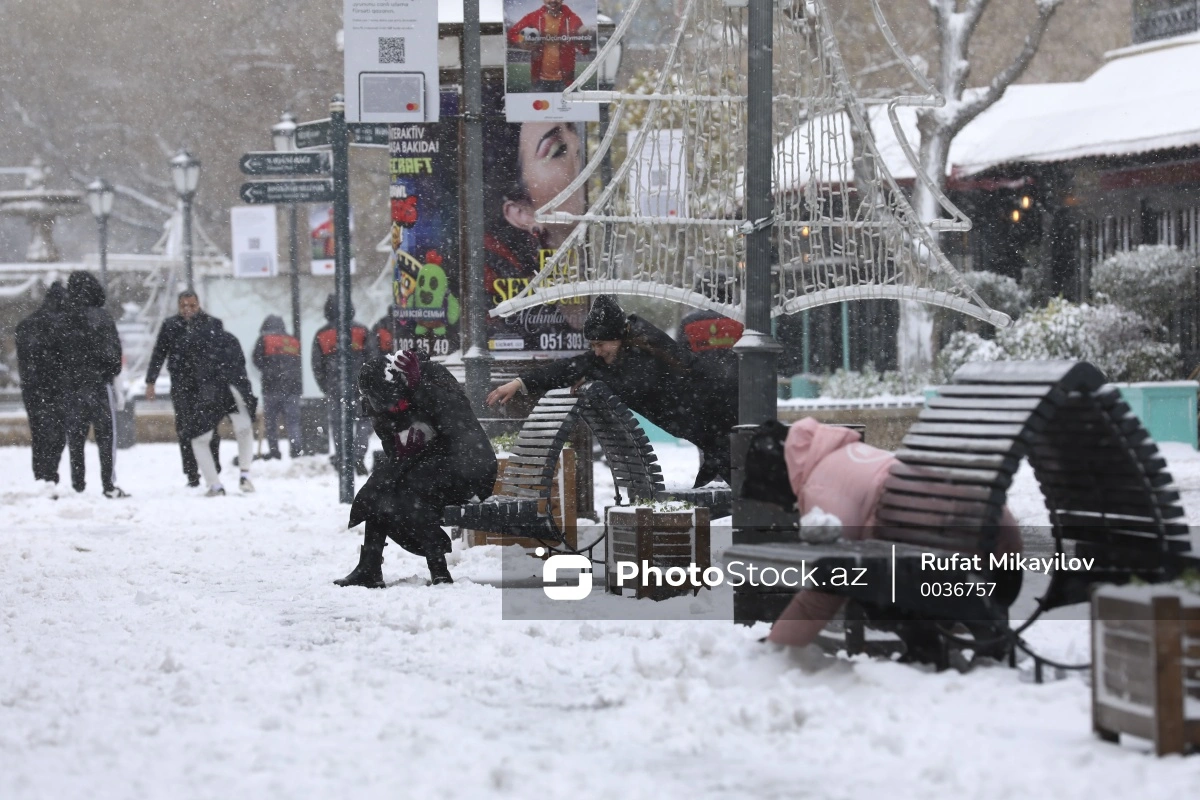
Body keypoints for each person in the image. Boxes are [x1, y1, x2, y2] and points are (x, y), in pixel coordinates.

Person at [763, 418, 1023, 650]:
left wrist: (776, 649)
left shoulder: (818, 485)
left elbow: (830, 579)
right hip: (1000, 541)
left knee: (872, 588)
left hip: (965, 556)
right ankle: (940, 645)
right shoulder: (848, 453)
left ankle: (939, 646)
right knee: (890, 577)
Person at [487, 295, 738, 487]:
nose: (596, 351)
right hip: (712, 428)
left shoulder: (646, 352)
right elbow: (570, 366)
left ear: (618, 337)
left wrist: (595, 374)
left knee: (748, 482)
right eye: (593, 345)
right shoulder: (617, 353)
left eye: (600, 344)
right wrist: (520, 383)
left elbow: (636, 386)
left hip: (724, 413)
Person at [335, 351, 498, 588]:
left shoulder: (430, 375)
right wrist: (405, 452)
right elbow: (393, 449)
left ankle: (439, 570)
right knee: (382, 483)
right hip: (425, 466)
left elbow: (459, 420)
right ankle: (369, 566)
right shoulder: (376, 401)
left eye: (398, 401)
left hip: (470, 467)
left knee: (410, 485)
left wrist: (420, 386)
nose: (397, 409)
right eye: (389, 406)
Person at [484, 120, 589, 350]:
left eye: (577, 138)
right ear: (520, 213)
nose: (578, 151)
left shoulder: (602, 267)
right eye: (556, 149)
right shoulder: (504, 293)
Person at [145, 291, 223, 487]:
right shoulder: (171, 326)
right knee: (185, 428)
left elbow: (224, 356)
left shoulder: (212, 325)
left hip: (207, 384)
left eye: (192, 306)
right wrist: (150, 381)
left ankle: (212, 468)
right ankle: (191, 473)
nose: (188, 310)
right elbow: (159, 353)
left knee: (210, 427)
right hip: (182, 384)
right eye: (184, 306)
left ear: (199, 304)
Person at [62, 271, 128, 498]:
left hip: (73, 386)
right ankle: (108, 484)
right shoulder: (102, 317)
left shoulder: (64, 318)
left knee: (76, 438)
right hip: (99, 385)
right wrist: (108, 371)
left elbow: (57, 356)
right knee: (106, 437)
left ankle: (78, 484)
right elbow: (113, 354)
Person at [183, 324, 258, 497]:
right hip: (235, 388)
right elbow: (241, 365)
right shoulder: (230, 339)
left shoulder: (195, 341)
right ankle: (245, 475)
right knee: (244, 430)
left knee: (200, 439)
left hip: (211, 393)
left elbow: (190, 373)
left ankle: (215, 485)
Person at [311, 294, 375, 474]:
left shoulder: (322, 334)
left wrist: (326, 386)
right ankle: (358, 455)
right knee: (364, 421)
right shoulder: (362, 331)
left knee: (339, 425)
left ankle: (342, 459)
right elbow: (372, 358)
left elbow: (317, 365)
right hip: (361, 386)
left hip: (335, 387)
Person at [15, 282, 69, 495]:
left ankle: (40, 475)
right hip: (56, 388)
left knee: (38, 434)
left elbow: (24, 361)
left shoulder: (25, 325)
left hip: (32, 389)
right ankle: (50, 473)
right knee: (57, 434)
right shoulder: (62, 326)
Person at [507, 0, 592, 93]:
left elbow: (585, 50)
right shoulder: (534, 17)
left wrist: (585, 40)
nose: (553, 1)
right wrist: (521, 41)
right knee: (537, 106)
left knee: (567, 107)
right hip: (540, 80)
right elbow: (511, 34)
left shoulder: (572, 19)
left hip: (566, 82)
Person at [252, 315, 303, 460]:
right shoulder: (293, 341)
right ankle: (296, 450)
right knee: (293, 422)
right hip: (292, 388)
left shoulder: (264, 340)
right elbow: (297, 364)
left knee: (271, 422)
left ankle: (274, 452)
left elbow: (256, 360)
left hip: (271, 387)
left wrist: (268, 372)